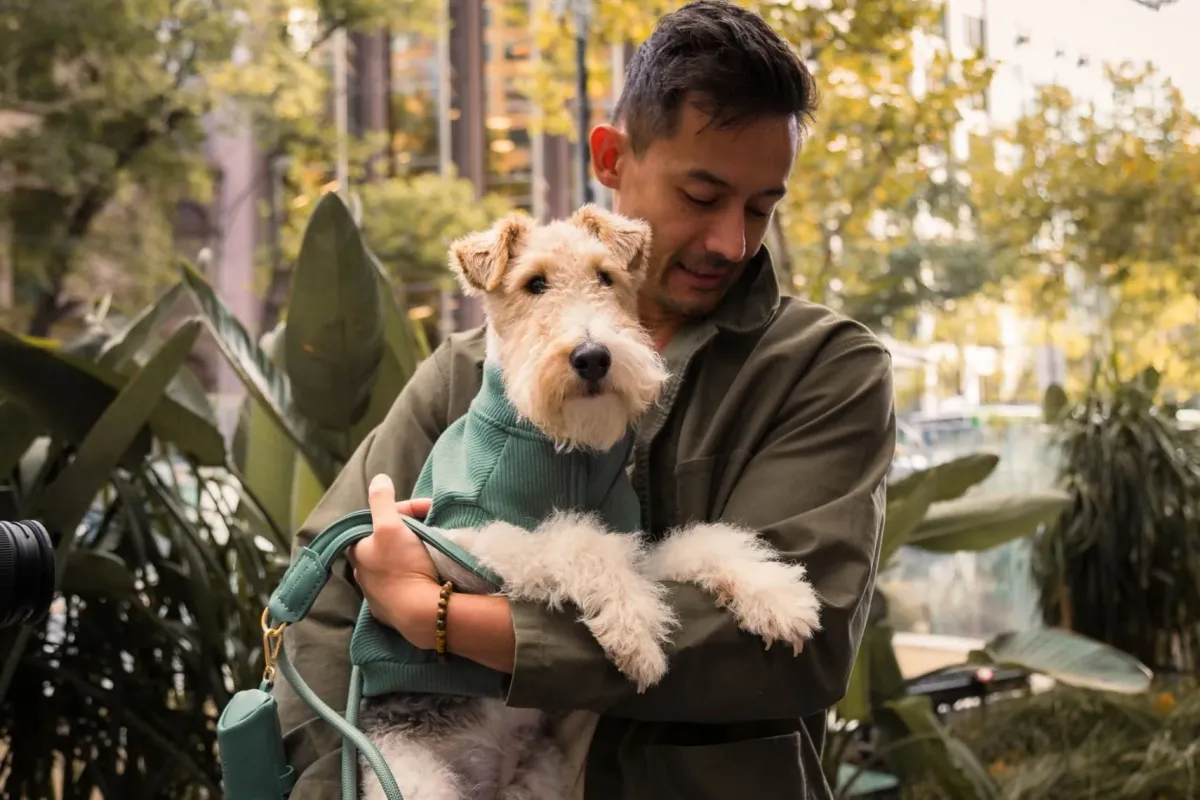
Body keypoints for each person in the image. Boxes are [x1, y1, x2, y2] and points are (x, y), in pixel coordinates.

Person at [273, 1, 896, 797]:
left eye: (761, 208)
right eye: (701, 195)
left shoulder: (824, 368)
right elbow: (321, 603)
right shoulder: (465, 374)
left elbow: (796, 649)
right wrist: (342, 783)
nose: (732, 242)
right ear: (612, 158)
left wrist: (443, 619)